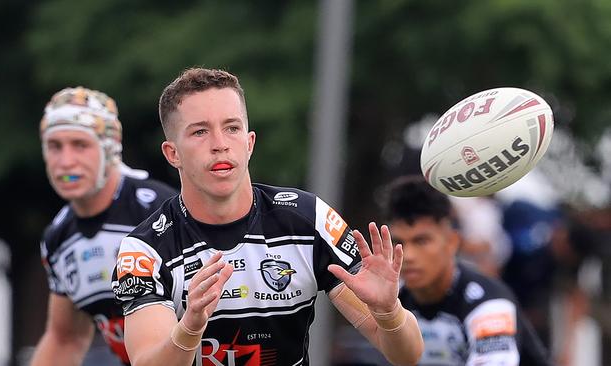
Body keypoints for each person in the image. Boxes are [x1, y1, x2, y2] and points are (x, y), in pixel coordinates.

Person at [110, 68, 424, 366]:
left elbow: (406, 355)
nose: (220, 145)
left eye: (232, 128)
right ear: (172, 153)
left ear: (249, 144)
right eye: (200, 132)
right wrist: (190, 326)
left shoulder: (307, 219)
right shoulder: (145, 250)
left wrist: (389, 312)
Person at [30, 87, 177, 365]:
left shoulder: (157, 208)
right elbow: (66, 338)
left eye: (80, 145)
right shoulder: (58, 238)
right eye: (54, 146)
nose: (66, 162)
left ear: (110, 148)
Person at [382, 175, 552, 365]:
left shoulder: (489, 302)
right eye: (398, 242)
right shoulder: (394, 300)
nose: (408, 255)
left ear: (452, 243)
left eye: (421, 241)